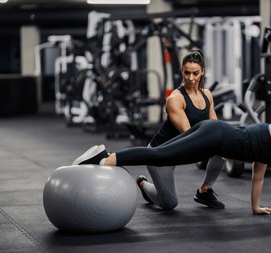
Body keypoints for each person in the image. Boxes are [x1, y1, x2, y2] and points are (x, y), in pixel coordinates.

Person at [72, 110, 271, 223]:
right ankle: (104, 158)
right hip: (215, 137)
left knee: (160, 154)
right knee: (160, 155)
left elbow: (259, 177)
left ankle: (106, 158)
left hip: (214, 130)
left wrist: (256, 208)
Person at [75, 49, 226, 210]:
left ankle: (205, 190)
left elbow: (214, 128)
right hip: (160, 156)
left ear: (202, 71)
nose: (190, 78)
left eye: (195, 73)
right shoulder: (175, 99)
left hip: (181, 151)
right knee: (169, 204)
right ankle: (143, 184)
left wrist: (225, 145)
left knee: (223, 149)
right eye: (186, 73)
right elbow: (189, 137)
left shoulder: (207, 95)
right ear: (181, 70)